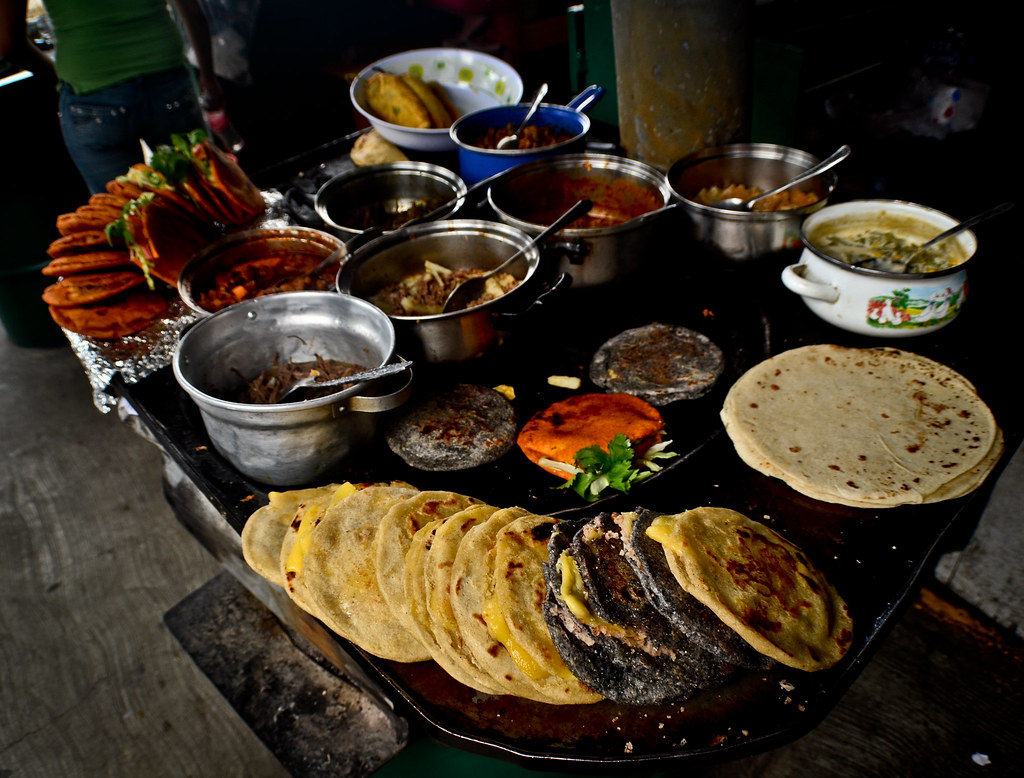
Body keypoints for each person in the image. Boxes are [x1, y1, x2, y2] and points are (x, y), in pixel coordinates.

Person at [0, 0, 224, 194]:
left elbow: (9, 46)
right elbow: (193, 14)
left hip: (91, 95)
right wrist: (208, 76)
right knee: (206, 201)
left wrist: (66, 73)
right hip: (169, 82)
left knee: (126, 218)